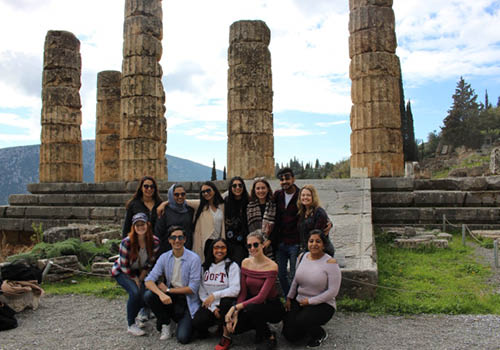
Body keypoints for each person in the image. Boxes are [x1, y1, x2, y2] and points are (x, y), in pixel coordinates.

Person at [216, 232, 284, 350]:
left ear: (263, 245)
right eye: (249, 246)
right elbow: (243, 292)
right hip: (251, 303)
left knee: (252, 307)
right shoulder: (245, 262)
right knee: (235, 327)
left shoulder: (272, 266)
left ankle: (270, 336)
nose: (252, 248)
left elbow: (261, 297)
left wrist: (235, 308)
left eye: (256, 244)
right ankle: (258, 328)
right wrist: (236, 312)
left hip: (271, 305)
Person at [282, 229, 341, 348]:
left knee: (302, 321)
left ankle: (319, 334)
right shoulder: (302, 257)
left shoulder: (331, 263)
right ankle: (305, 327)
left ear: (324, 245)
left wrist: (310, 301)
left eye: (318, 241)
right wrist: (289, 298)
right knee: (289, 334)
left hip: (323, 304)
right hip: (301, 300)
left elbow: (333, 291)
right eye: (311, 241)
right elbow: (295, 280)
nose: (314, 244)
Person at [144, 226, 201, 344]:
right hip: (170, 298)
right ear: (169, 240)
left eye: (180, 237)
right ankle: (166, 322)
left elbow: (193, 288)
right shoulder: (165, 257)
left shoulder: (194, 259)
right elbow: (148, 280)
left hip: (186, 299)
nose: (177, 240)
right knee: (148, 295)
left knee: (183, 338)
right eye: (173, 237)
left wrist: (169, 291)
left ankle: (181, 322)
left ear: (185, 239)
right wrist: (161, 294)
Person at [111, 213, 160, 336]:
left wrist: (141, 278)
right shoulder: (126, 242)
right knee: (135, 292)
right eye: (137, 225)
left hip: (141, 271)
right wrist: (135, 279)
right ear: (133, 227)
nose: (140, 227)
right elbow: (124, 266)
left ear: (147, 225)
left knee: (145, 293)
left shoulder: (154, 241)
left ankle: (139, 315)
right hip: (123, 272)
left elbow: (150, 263)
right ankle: (130, 324)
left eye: (142, 224)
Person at [192, 238, 240, 338]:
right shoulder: (205, 267)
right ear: (211, 249)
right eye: (216, 247)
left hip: (226, 304)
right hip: (210, 305)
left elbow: (235, 290)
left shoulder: (232, 266)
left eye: (223, 247)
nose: (219, 250)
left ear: (227, 249)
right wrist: (213, 308)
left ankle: (225, 335)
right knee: (197, 322)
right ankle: (216, 327)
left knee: (225, 302)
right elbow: (201, 291)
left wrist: (215, 295)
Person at [273, 168, 301, 296]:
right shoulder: (277, 195)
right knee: (281, 274)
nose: (284, 182)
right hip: (280, 242)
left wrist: (328, 222)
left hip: (295, 242)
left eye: (287, 178)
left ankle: (295, 301)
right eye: (282, 179)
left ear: (293, 179)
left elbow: (314, 208)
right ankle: (288, 298)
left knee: (295, 275)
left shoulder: (301, 195)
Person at [155, 184, 194, 255]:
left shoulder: (190, 210)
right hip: (168, 251)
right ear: (171, 195)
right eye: (176, 194)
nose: (180, 196)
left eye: (183, 194)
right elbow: (158, 232)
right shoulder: (164, 211)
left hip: (186, 251)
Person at [297, 184, 335, 256]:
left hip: (321, 251)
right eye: (303, 195)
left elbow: (317, 236)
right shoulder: (302, 212)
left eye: (308, 195)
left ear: (313, 197)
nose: (305, 197)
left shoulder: (319, 212)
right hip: (307, 249)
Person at [192, 181, 225, 261]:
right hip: (205, 243)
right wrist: (164, 204)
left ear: (214, 190)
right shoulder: (200, 205)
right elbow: (183, 201)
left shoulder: (222, 206)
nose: (206, 193)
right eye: (203, 192)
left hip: (218, 242)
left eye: (208, 190)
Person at [246, 178, 276, 259]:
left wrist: (269, 241)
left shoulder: (274, 205)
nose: (261, 191)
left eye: (263, 188)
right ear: (254, 190)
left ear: (268, 189)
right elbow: (247, 227)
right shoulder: (250, 207)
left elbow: (278, 226)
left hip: (272, 245)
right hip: (254, 245)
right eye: (258, 188)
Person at [224, 176, 249, 265]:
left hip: (246, 242)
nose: (237, 188)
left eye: (240, 185)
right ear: (231, 188)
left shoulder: (249, 201)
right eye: (234, 186)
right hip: (229, 241)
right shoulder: (226, 202)